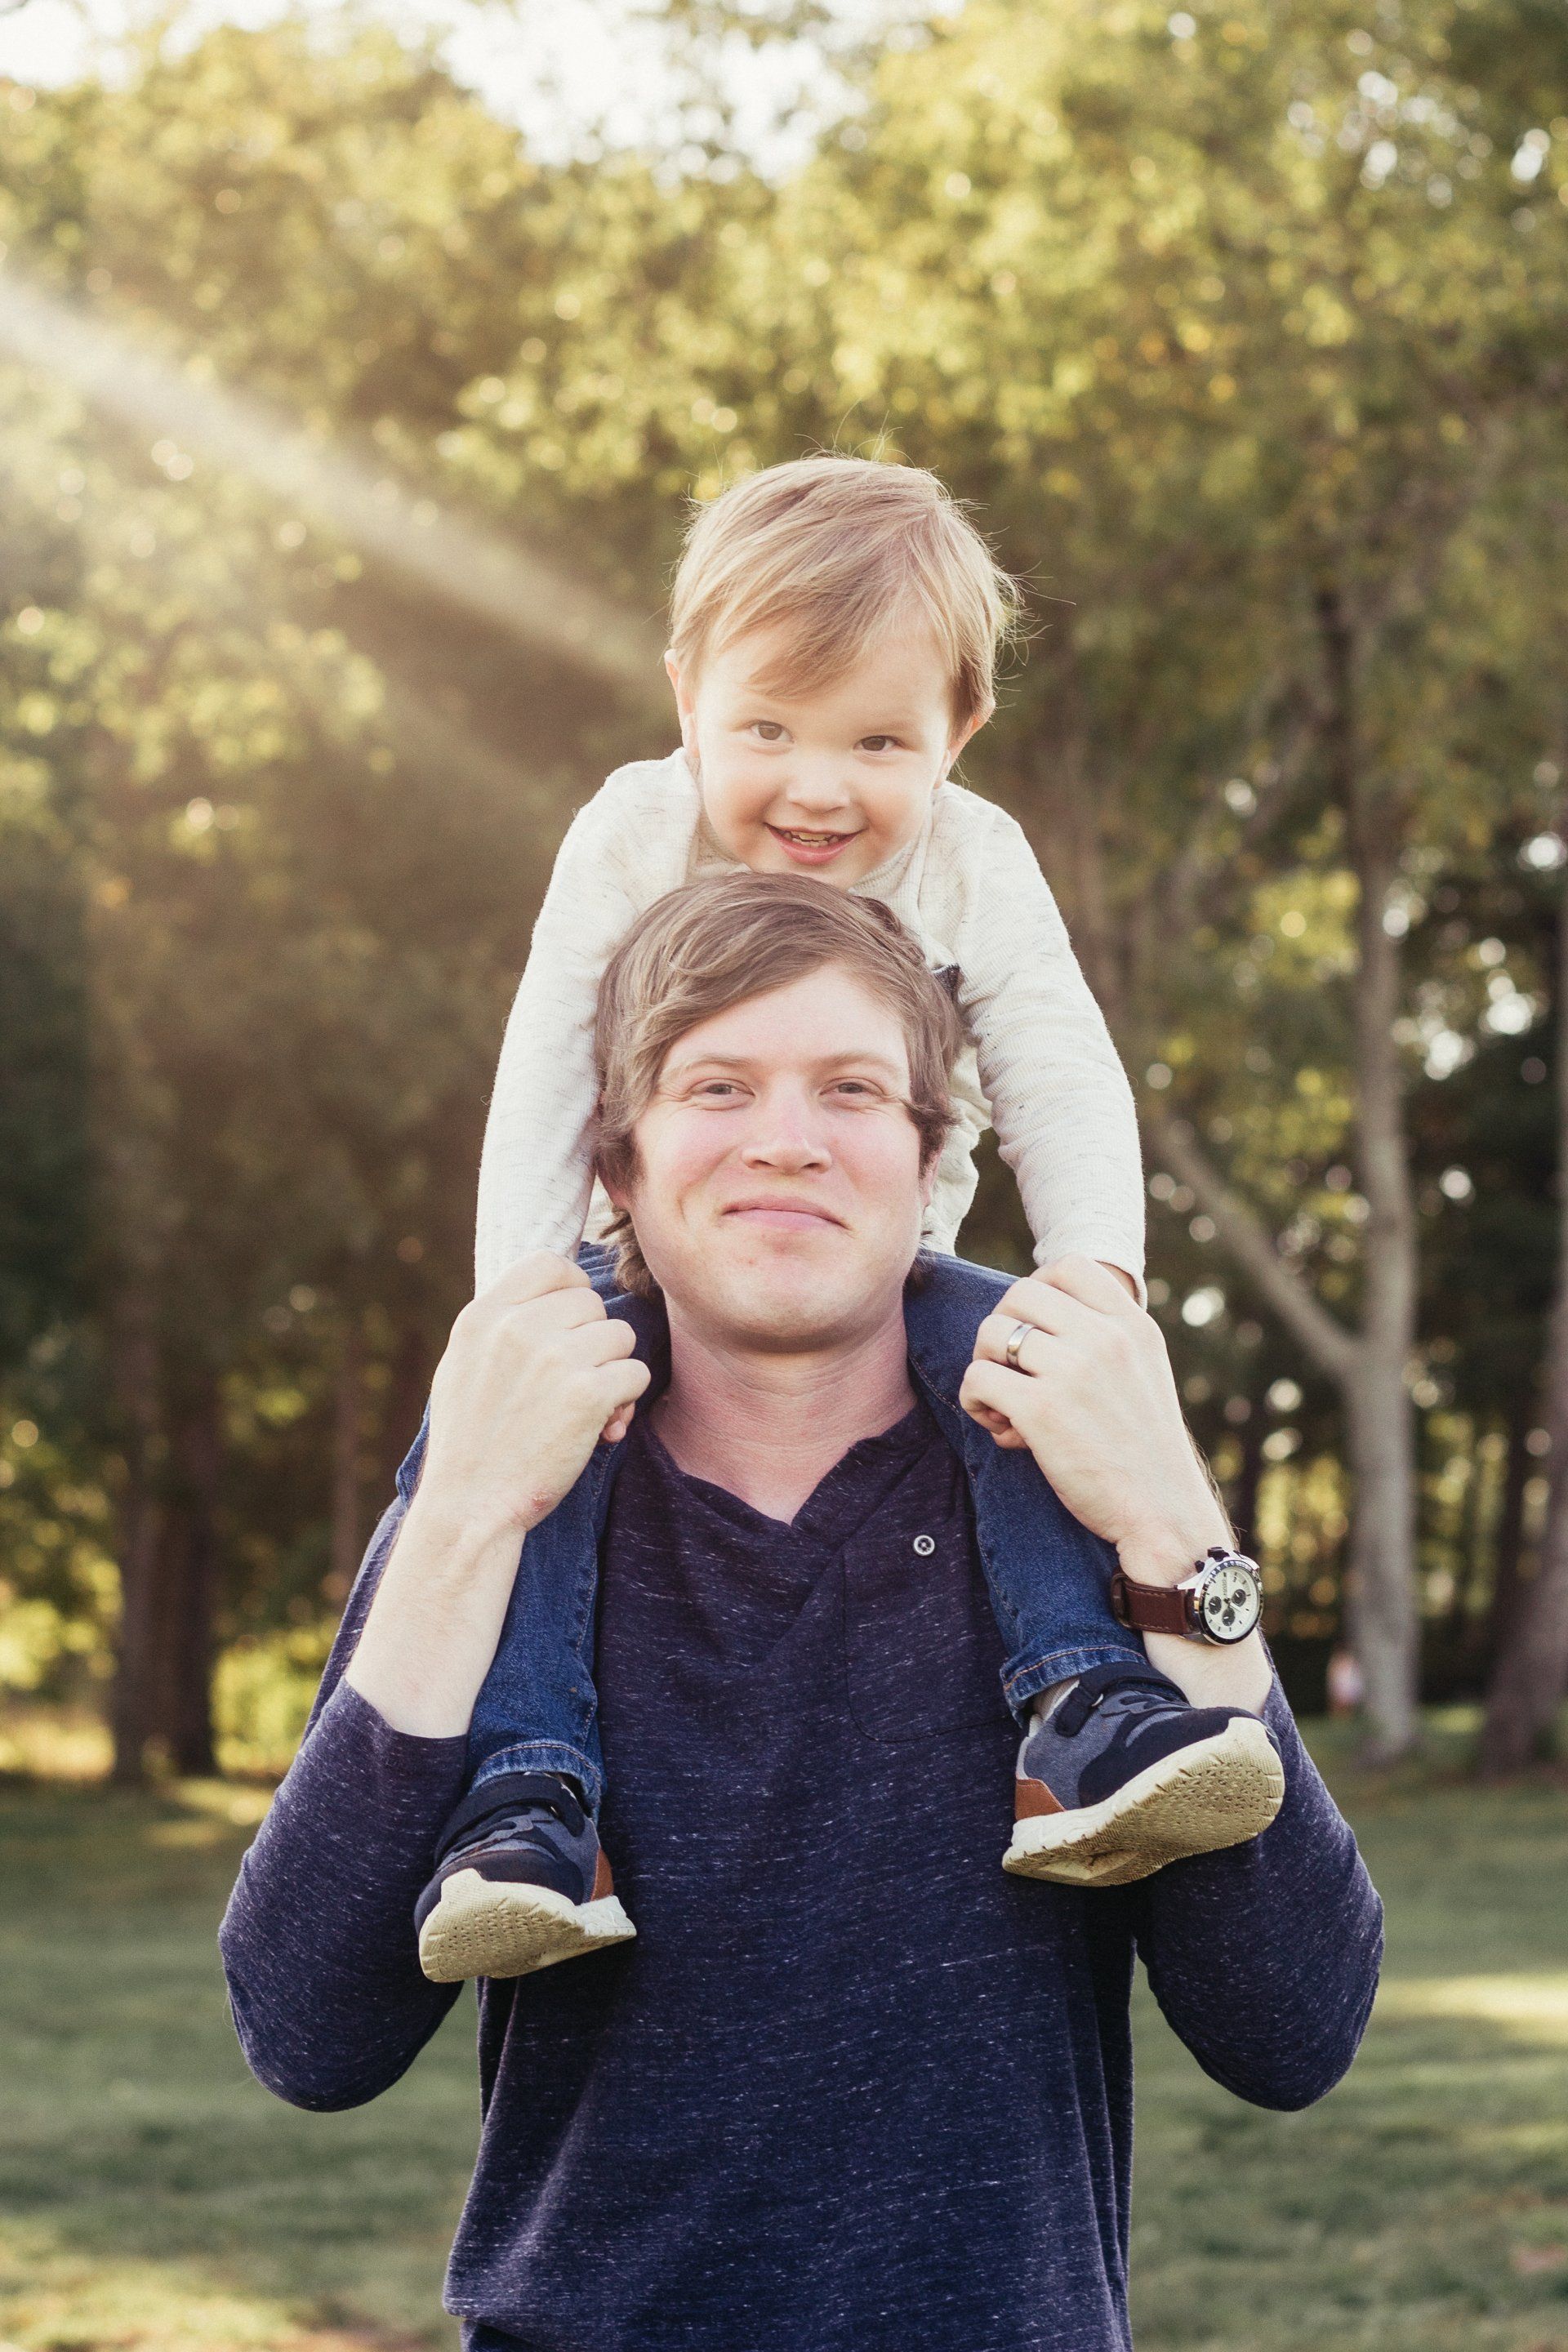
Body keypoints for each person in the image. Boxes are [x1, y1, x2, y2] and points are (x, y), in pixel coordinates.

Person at [219, 878, 1383, 2352]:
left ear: (923, 1157)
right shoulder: (509, 1478)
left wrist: (1172, 1522)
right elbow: (310, 2033)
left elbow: (1292, 2030)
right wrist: (462, 1515)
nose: (788, 1138)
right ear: (622, 1169)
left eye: (851, 1089)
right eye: (718, 1085)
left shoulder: (1073, 1474)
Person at [433, 457, 1281, 1980]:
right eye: (765, 729)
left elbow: (1062, 1071)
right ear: (685, 692)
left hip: (901, 1278)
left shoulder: (976, 857)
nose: (818, 787)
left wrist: (1096, 1285)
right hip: (645, 1265)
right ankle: (526, 1793)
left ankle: (1085, 1712)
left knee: (1008, 1364)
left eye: (880, 740)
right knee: (559, 1434)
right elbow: (550, 1061)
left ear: (961, 731)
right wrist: (521, 1295)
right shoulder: (634, 830)